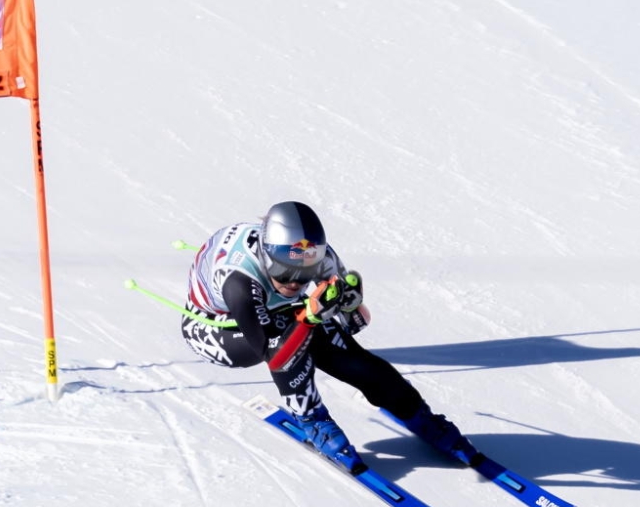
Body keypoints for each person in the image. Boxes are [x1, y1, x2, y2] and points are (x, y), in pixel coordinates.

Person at [182, 200, 481, 475]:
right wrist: (309, 317)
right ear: (267, 255)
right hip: (217, 327)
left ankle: (419, 415)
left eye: (305, 272)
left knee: (355, 359)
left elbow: (354, 324)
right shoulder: (240, 281)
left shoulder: (317, 255)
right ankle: (312, 420)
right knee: (293, 344)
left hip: (279, 312)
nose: (295, 281)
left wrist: (350, 304)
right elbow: (274, 356)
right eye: (284, 272)